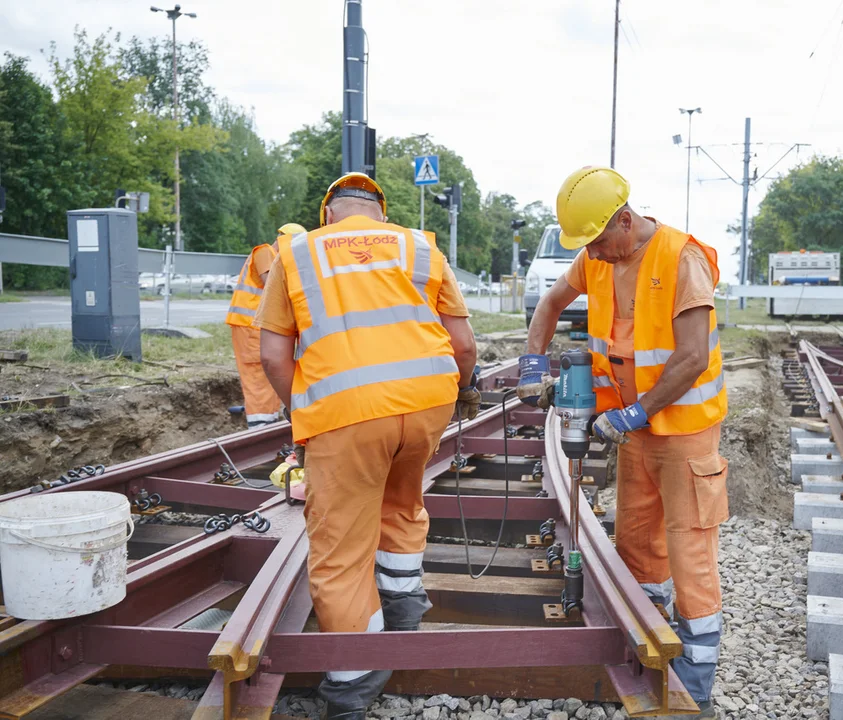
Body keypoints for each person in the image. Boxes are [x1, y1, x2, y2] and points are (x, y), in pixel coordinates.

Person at [256, 173, 480, 720]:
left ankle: (353, 689)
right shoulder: (419, 246)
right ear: (380, 214)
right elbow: (464, 344)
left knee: (339, 553)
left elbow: (271, 358)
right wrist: (465, 390)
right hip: (427, 405)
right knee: (402, 504)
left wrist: (306, 415)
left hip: (348, 414)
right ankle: (402, 615)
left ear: (328, 214)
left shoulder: (297, 252)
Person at [517, 166, 728, 719]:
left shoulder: (681, 259)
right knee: (637, 542)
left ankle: (695, 682)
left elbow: (691, 357)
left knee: (689, 553)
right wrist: (531, 367)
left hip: (683, 432)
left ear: (626, 222)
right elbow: (548, 306)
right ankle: (648, 640)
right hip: (636, 433)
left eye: (598, 241)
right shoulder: (596, 257)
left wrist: (633, 413)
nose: (594, 255)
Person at [225, 222, 305, 428]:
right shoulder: (264, 252)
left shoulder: (274, 258)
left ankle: (266, 422)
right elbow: (274, 284)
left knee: (270, 375)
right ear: (283, 240)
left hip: (257, 326)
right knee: (258, 376)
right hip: (251, 326)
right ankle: (259, 426)